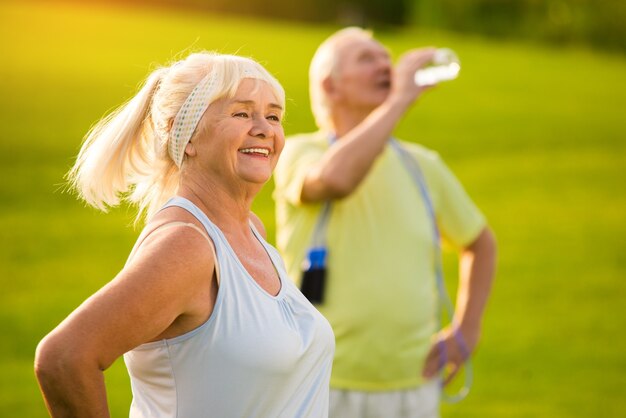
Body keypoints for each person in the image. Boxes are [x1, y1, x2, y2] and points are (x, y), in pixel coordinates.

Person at [34, 51, 335, 418]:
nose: (264, 129)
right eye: (241, 113)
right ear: (185, 134)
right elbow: (64, 358)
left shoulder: (253, 231)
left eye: (273, 116)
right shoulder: (187, 245)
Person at [273, 27, 497, 418]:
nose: (386, 65)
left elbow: (479, 243)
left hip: (413, 382)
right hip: (321, 379)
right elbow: (336, 180)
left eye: (385, 57)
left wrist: (468, 328)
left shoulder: (422, 164)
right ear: (331, 85)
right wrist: (398, 102)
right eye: (366, 58)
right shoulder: (297, 151)